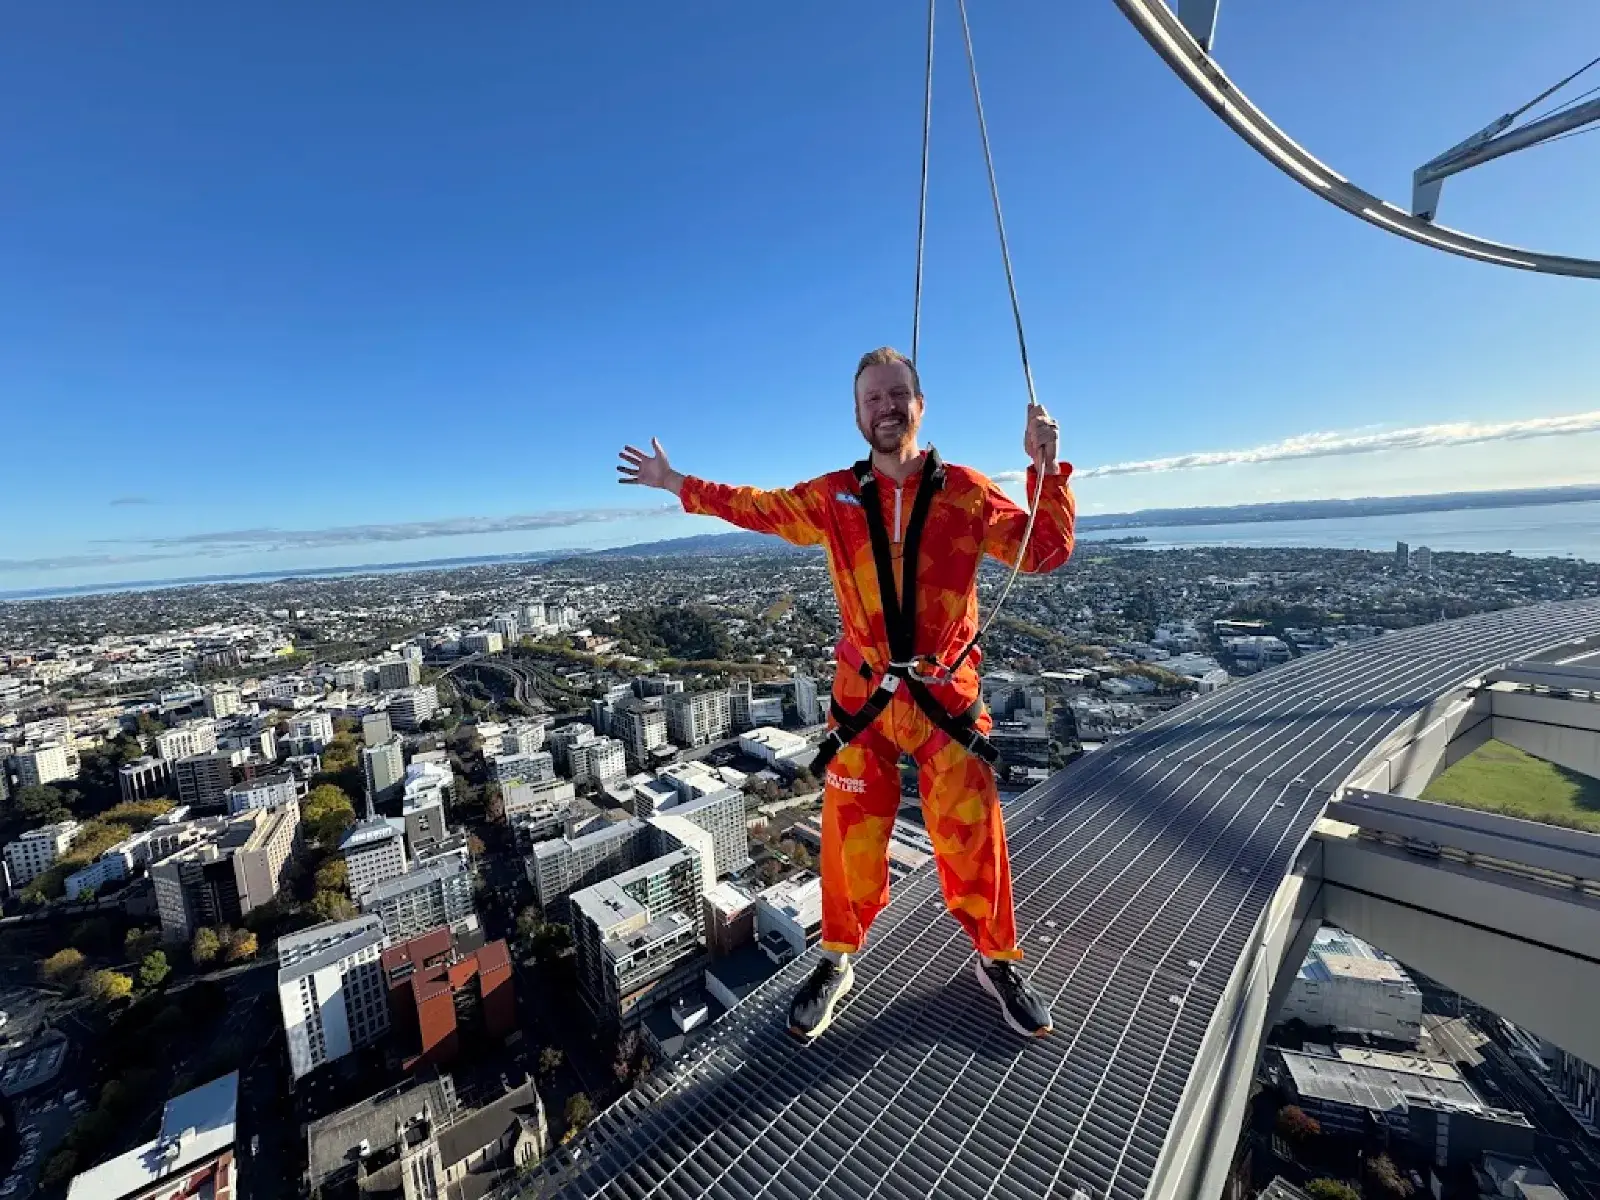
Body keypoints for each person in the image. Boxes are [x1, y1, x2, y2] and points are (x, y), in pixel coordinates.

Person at [617, 346, 1075, 1041]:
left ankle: (996, 958)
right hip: (865, 702)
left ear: (919, 405)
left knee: (974, 837)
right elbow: (756, 508)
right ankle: (836, 957)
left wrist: (1046, 468)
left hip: (945, 701)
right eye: (872, 400)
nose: (886, 408)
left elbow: (1044, 551)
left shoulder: (968, 492)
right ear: (858, 415)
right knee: (846, 840)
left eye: (897, 395)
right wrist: (675, 481)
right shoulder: (834, 497)